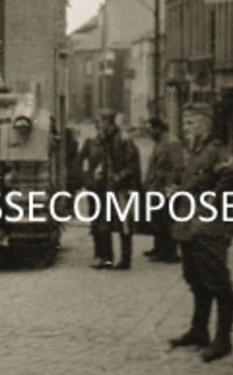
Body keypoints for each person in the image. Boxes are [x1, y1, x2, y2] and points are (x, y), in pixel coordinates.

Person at [167, 104, 233, 362]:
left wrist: (211, 204)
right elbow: (194, 184)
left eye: (190, 124)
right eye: (186, 123)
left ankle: (223, 340)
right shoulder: (194, 152)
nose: (186, 128)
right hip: (189, 227)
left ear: (205, 126)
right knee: (196, 279)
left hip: (210, 228)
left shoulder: (217, 150)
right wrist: (177, 191)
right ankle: (199, 331)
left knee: (218, 282)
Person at [78, 108, 142, 270]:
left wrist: (117, 179)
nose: (98, 125)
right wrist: (91, 178)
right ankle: (107, 257)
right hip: (102, 189)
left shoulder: (123, 139)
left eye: (100, 121)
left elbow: (132, 166)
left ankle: (125, 259)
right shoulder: (99, 139)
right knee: (102, 224)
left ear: (109, 122)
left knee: (124, 224)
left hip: (121, 188)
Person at [142, 117, 187, 262]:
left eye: (150, 130)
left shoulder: (172, 143)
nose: (149, 134)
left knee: (167, 219)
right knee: (156, 218)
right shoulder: (159, 142)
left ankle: (170, 252)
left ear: (158, 128)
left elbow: (178, 168)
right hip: (156, 187)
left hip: (166, 187)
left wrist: (171, 188)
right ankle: (159, 248)